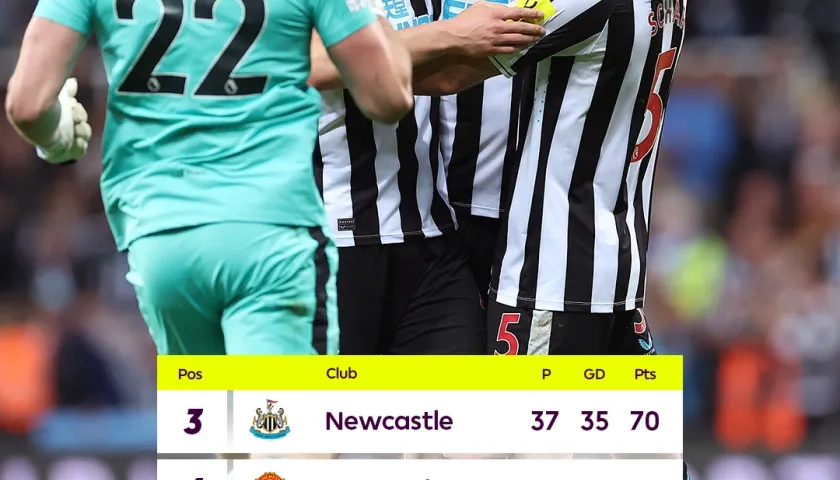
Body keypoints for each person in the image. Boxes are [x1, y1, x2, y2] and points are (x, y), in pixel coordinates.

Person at [6, 0, 414, 355]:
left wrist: (57, 135)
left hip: (160, 240)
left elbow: (26, 103)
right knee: (285, 433)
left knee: (220, 426)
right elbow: (389, 97)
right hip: (269, 237)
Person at [419, 0, 691, 474]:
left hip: (550, 269)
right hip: (619, 263)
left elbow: (449, 76)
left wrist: (347, 55)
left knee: (529, 458)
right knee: (653, 459)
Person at [307, 1, 545, 354]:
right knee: (324, 407)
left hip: (429, 237)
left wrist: (562, 26)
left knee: (465, 402)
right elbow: (310, 64)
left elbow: (443, 77)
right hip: (332, 242)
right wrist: (451, 33)